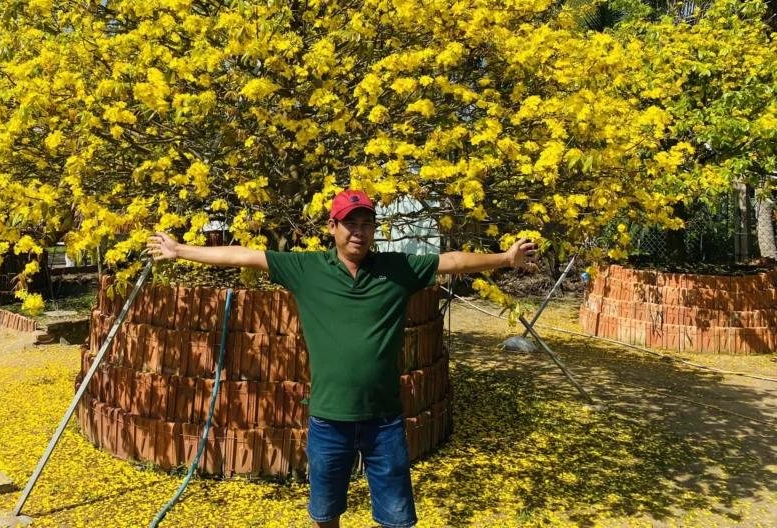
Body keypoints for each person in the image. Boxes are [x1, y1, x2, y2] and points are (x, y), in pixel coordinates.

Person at [147, 189, 538, 528]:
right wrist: (180, 250)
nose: (359, 231)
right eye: (350, 223)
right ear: (333, 228)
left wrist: (504, 259)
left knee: (396, 515)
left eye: (367, 223)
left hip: (384, 419)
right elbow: (245, 256)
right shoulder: (308, 269)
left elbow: (451, 261)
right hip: (328, 418)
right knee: (325, 511)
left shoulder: (397, 269)